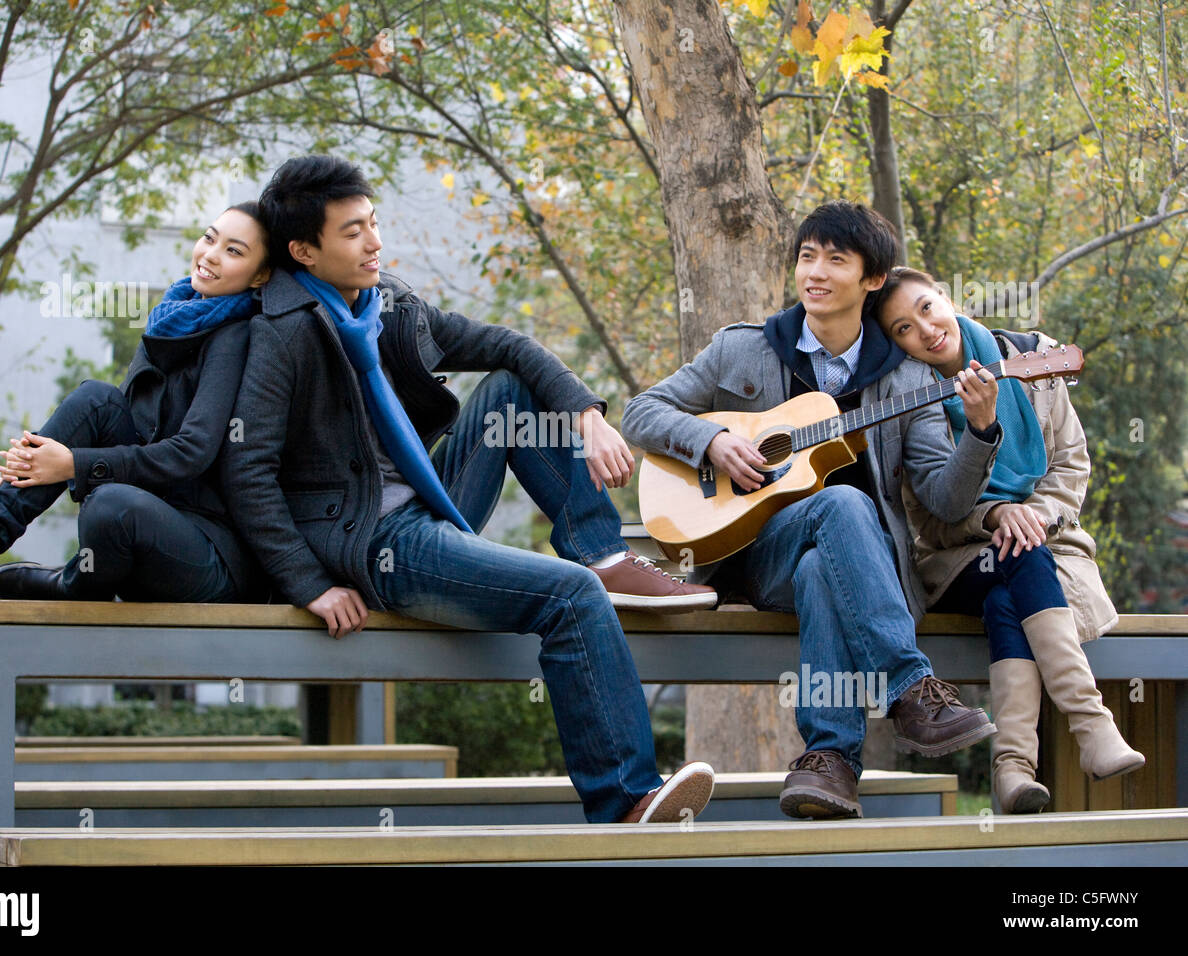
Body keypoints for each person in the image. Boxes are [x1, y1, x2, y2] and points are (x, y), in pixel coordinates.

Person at [219, 155, 715, 824]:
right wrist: (308, 581)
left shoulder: (387, 303)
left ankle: (600, 549)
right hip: (374, 542)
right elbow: (246, 471)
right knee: (570, 597)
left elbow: (508, 344)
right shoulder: (283, 334)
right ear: (305, 250)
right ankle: (626, 798)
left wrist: (587, 414)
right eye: (353, 232)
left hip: (427, 505)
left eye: (374, 223)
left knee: (513, 390)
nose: (374, 242)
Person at [622, 201, 1001, 820]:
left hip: (859, 575)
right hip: (749, 561)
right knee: (841, 503)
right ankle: (910, 688)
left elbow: (945, 498)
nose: (815, 272)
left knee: (824, 563)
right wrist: (710, 441)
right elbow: (642, 412)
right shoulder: (742, 350)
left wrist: (981, 430)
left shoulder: (908, 381)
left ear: (872, 279)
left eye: (835, 259)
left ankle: (829, 763)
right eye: (807, 257)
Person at [0, 202, 273, 604]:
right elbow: (124, 422)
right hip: (153, 509)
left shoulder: (236, 337)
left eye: (234, 251)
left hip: (205, 549)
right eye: (209, 237)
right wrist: (46, 458)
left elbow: (193, 452)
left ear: (261, 275)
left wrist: (71, 464)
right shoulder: (173, 318)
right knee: (96, 400)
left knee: (110, 504)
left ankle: (71, 583)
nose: (211, 254)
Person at [874, 266, 1143, 813]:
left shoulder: (1030, 355)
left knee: (1010, 581)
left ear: (946, 298)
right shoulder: (909, 396)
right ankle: (1090, 724)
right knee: (1017, 556)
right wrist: (994, 514)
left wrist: (1032, 516)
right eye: (903, 328)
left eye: (926, 308)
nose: (924, 330)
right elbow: (929, 520)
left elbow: (1070, 466)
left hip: (1037, 548)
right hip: (952, 561)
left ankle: (1014, 771)